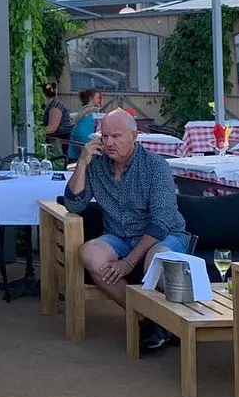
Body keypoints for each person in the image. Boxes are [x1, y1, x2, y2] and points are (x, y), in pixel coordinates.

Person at [62, 108, 191, 353]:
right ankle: (147, 318)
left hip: (163, 236)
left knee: (157, 257)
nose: (109, 143)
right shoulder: (97, 165)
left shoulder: (155, 166)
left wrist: (129, 262)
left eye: (116, 136)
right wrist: (82, 161)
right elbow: (74, 204)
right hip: (120, 235)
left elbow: (161, 222)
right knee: (89, 254)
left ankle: (162, 324)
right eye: (105, 136)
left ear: (135, 136)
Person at [65, 89, 102, 160]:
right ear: (91, 98)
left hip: (78, 136)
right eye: (97, 98)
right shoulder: (87, 109)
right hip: (82, 137)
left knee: (76, 158)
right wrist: (73, 120)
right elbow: (78, 116)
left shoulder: (89, 109)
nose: (99, 100)